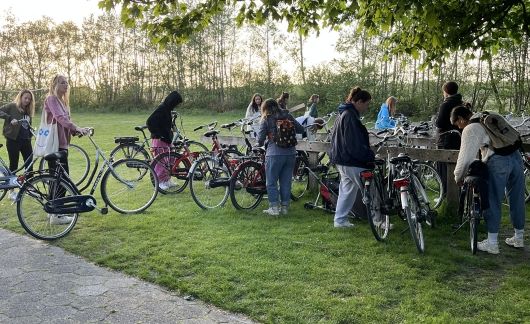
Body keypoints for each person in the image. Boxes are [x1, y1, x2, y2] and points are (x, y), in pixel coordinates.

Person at [452, 106, 525, 254]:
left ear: (460, 119)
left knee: (493, 200)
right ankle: (519, 237)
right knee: (517, 198)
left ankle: (492, 243)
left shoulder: (471, 128)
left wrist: (458, 177)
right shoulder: (491, 114)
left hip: (498, 162)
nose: (459, 127)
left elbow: (465, 157)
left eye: (457, 124)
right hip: (516, 157)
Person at [44, 74, 91, 225]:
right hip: (55, 145)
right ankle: (57, 215)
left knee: (57, 179)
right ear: (54, 85)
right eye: (62, 83)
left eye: (67, 83)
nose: (66, 85)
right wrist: (76, 127)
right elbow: (60, 118)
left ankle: (52, 211)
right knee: (61, 179)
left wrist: (78, 131)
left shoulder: (63, 102)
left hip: (62, 144)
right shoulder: (51, 99)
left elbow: (66, 123)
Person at [329, 86, 375, 228]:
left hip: (342, 159)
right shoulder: (350, 116)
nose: (366, 108)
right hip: (351, 161)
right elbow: (353, 143)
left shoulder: (343, 113)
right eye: (366, 104)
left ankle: (340, 220)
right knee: (371, 190)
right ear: (359, 101)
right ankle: (378, 219)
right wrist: (369, 156)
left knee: (347, 191)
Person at [257, 98, 304, 216]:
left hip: (274, 154)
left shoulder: (266, 118)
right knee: (286, 181)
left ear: (265, 108)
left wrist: (261, 143)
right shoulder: (287, 115)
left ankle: (274, 208)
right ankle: (285, 208)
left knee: (271, 181)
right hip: (291, 153)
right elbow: (300, 129)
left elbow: (261, 139)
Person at [0, 89, 35, 200]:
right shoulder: (12, 106)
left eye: (29, 99)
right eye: (25, 98)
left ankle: (30, 187)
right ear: (20, 97)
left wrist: (31, 132)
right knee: (13, 165)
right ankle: (11, 191)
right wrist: (9, 118)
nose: (27, 100)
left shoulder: (28, 110)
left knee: (29, 163)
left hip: (26, 140)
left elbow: (27, 125)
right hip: (13, 140)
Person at [146, 90, 183, 191]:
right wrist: (158, 134)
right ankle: (160, 182)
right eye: (176, 103)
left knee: (170, 160)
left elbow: (165, 122)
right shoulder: (162, 109)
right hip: (159, 139)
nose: (176, 106)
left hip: (166, 139)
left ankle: (167, 180)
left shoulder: (167, 109)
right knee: (161, 162)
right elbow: (149, 122)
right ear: (172, 101)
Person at [435, 81, 464, 196]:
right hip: (459, 138)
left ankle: (445, 194)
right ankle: (456, 193)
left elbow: (440, 123)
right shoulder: (461, 103)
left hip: (445, 139)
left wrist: (435, 120)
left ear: (445, 92)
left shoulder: (446, 104)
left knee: (443, 168)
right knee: (456, 166)